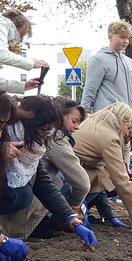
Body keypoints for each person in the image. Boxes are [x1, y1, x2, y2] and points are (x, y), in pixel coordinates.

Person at [0, 95, 96, 247]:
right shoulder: (8, 134)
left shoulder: (30, 145)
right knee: (21, 193)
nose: (45, 136)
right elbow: (81, 182)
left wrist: (71, 218)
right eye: (43, 130)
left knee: (28, 191)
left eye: (49, 131)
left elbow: (42, 184)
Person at [74, 103, 132, 232]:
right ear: (126, 123)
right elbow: (121, 180)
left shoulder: (95, 121)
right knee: (106, 176)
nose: (128, 134)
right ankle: (78, 210)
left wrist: (125, 168)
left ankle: (100, 213)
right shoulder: (110, 137)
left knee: (102, 174)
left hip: (76, 168)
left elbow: (125, 146)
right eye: (129, 130)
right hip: (77, 173)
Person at [41, 97, 90, 215]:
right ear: (59, 116)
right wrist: (74, 207)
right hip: (32, 202)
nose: (77, 127)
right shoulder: (56, 138)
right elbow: (83, 183)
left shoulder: (44, 132)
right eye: (74, 121)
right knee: (61, 181)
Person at [81, 20, 132, 113]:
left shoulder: (130, 62)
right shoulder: (98, 59)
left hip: (127, 118)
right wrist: (85, 114)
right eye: (122, 37)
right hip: (106, 118)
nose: (125, 41)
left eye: (127, 38)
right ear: (110, 36)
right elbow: (89, 90)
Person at [0, 9, 47, 94]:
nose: (21, 39)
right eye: (23, 33)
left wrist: (23, 86)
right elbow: (1, 54)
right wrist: (31, 63)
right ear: (17, 27)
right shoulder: (2, 23)